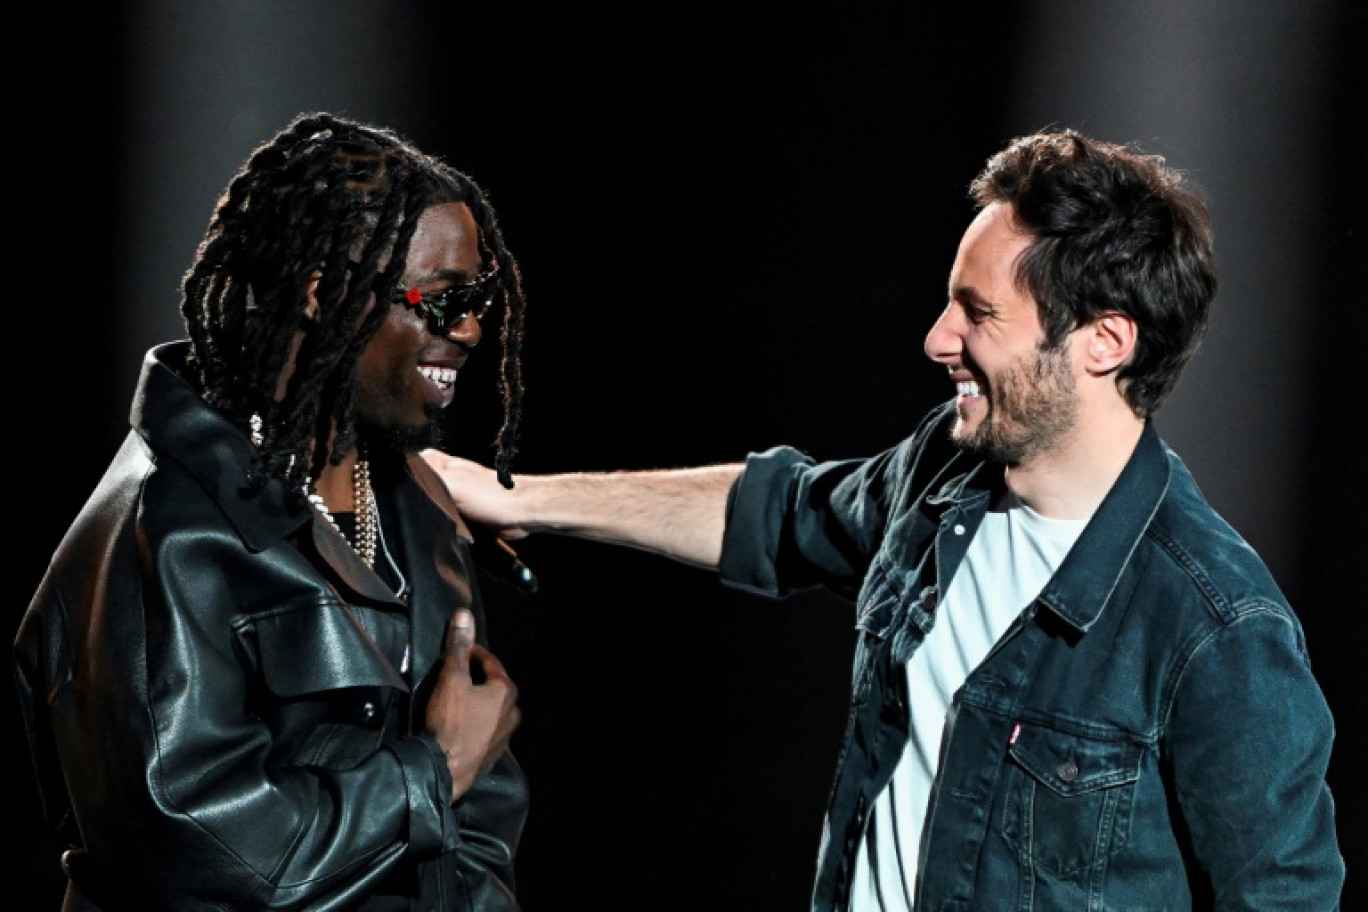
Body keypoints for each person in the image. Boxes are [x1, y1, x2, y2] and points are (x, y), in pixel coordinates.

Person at [420, 129, 1345, 909]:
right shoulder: (943, 475)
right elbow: (772, 511)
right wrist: (523, 499)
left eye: (978, 314)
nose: (938, 338)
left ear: (1104, 341)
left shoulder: (1218, 631)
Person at [14, 112, 533, 910]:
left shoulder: (416, 512)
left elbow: (484, 821)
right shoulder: (167, 529)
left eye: (481, 297)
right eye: (442, 298)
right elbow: (205, 854)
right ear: (327, 293)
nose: (468, 329)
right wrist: (432, 770)